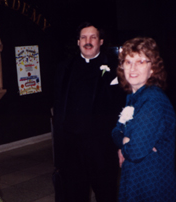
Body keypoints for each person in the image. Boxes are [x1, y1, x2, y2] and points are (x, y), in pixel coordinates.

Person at [53, 22, 125, 202]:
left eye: (93, 37)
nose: (88, 41)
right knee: (74, 195)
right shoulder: (64, 68)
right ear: (78, 42)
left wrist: (120, 145)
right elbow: (59, 106)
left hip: (102, 149)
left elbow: (122, 109)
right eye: (84, 37)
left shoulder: (116, 68)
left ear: (100, 41)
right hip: (72, 150)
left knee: (106, 194)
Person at [112, 37, 176, 201]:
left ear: (152, 68)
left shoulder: (153, 100)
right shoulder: (134, 97)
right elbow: (116, 132)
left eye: (140, 62)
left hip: (151, 183)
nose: (132, 68)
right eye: (128, 62)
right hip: (135, 176)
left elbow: (135, 151)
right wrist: (126, 141)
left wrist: (126, 144)